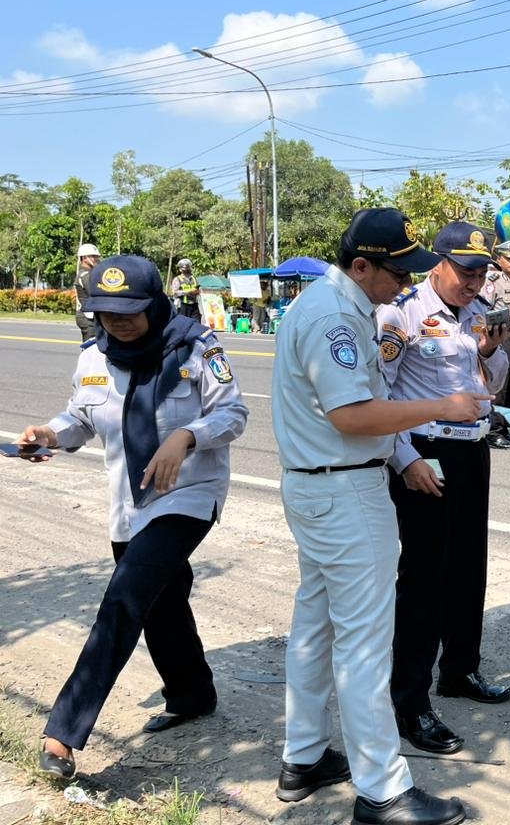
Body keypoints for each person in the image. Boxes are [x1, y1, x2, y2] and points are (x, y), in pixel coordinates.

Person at [272, 208, 484, 825]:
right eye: (398, 273)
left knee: (316, 629)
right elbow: (354, 415)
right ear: (361, 266)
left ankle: (305, 755)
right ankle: (383, 790)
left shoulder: (338, 306)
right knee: (364, 645)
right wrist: (442, 406)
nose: (406, 284)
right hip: (343, 492)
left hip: (322, 486)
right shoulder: (334, 317)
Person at [17, 255, 248, 780]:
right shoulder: (93, 356)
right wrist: (49, 435)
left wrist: (187, 436)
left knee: (124, 598)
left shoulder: (199, 347)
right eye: (105, 312)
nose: (116, 322)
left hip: (188, 494)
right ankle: (192, 694)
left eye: (128, 312)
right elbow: (80, 417)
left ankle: (62, 732)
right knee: (161, 599)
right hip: (128, 501)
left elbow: (233, 413)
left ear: (155, 303)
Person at [376, 222, 510, 757]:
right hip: (424, 454)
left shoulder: (480, 312)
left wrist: (490, 350)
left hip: (472, 450)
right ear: (439, 263)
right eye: (465, 271)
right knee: (424, 578)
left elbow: (491, 386)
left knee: (467, 567)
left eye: (482, 272)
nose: (474, 281)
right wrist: (406, 460)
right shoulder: (402, 313)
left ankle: (460, 670)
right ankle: (409, 701)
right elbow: (380, 395)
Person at [482, 239, 510, 449]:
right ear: (499, 259)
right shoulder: (493, 281)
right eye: (509, 259)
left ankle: (504, 427)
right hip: (501, 338)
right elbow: (484, 310)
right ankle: (493, 431)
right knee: (500, 387)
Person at [72, 243, 101, 342]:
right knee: (91, 347)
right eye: (93, 256)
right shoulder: (85, 275)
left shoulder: (91, 273)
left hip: (92, 316)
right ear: (84, 258)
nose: (97, 259)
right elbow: (95, 292)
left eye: (97, 256)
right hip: (88, 317)